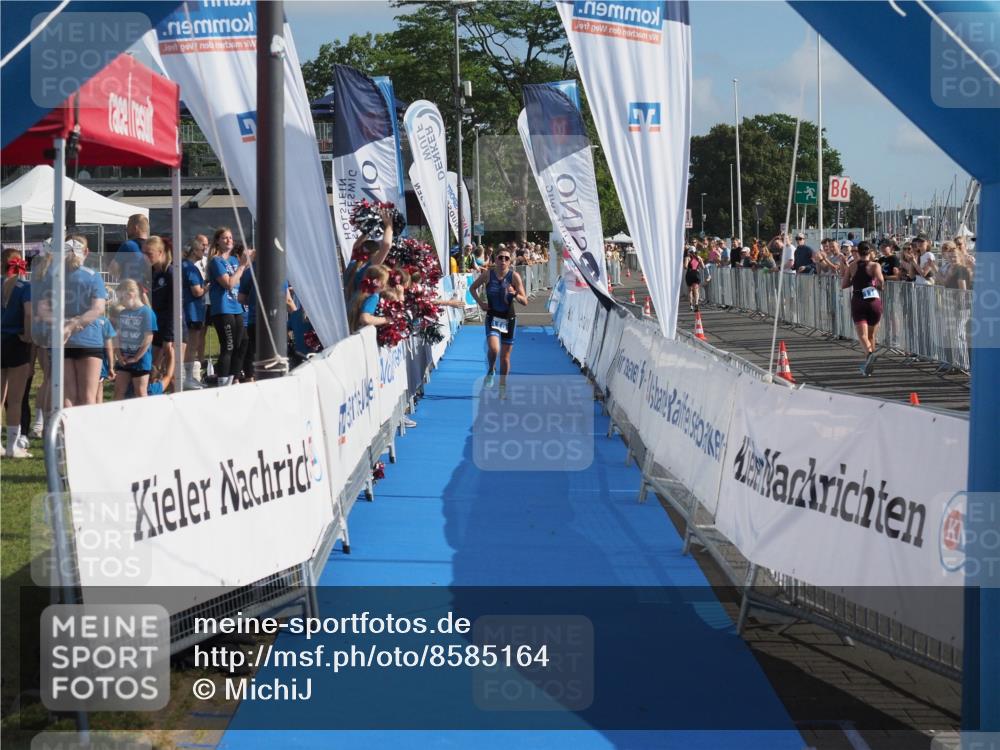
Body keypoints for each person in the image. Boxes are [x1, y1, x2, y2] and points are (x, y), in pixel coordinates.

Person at [469, 248, 527, 394]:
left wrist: (514, 294)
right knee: (494, 349)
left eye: (506, 258)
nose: (503, 261)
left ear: (510, 261)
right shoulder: (488, 274)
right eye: (500, 258)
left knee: (505, 357)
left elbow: (524, 301)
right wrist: (481, 304)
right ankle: (491, 370)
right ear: (495, 260)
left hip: (509, 319)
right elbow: (472, 288)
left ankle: (502, 386)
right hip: (493, 317)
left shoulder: (514, 276)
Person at [207, 227, 252, 386]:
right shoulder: (216, 261)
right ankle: (222, 382)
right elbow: (229, 283)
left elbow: (240, 280)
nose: (229, 240)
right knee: (229, 345)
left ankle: (233, 380)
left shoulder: (233, 260)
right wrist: (241, 267)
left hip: (237, 307)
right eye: (225, 238)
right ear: (218, 241)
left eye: (231, 237)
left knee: (242, 344)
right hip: (223, 308)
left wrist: (245, 263)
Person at [2, 249, 33, 457]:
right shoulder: (25, 286)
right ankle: (13, 445)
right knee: (15, 399)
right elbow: (29, 313)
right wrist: (29, 336)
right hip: (16, 342)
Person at [144, 236, 182, 392]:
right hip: (158, 328)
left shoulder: (171, 273)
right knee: (153, 370)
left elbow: (175, 307)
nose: (145, 257)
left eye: (149, 253)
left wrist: (169, 337)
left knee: (172, 376)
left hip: (173, 329)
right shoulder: (153, 273)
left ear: (160, 252)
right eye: (143, 253)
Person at [842, 241, 885, 376]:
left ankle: (870, 355)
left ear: (858, 252)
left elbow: (844, 285)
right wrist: (877, 285)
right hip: (874, 301)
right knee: (871, 335)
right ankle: (869, 365)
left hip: (859, 300)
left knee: (862, 336)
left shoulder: (852, 266)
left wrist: (854, 280)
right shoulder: (875, 265)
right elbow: (881, 281)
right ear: (870, 252)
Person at [114, 279, 156, 399]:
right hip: (124, 358)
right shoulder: (122, 313)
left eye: (121, 298)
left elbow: (149, 337)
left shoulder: (146, 312)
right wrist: (118, 355)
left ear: (130, 294)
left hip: (141, 361)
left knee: (140, 392)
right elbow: (117, 336)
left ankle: (144, 417)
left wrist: (136, 357)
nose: (120, 302)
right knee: (118, 390)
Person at [182, 236, 208, 389]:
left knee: (189, 344)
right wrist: (207, 287)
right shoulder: (190, 268)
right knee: (192, 345)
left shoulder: (184, 266)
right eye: (201, 249)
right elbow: (197, 291)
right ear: (194, 251)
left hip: (190, 310)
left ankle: (188, 376)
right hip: (192, 311)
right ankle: (188, 377)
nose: (203, 252)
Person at [110, 213, 151, 287]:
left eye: (128, 227)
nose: (126, 230)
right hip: (148, 290)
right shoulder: (153, 247)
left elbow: (113, 268)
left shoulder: (128, 245)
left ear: (135, 228)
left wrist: (122, 279)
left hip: (130, 289)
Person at [349, 265, 390, 331]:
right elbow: (365, 318)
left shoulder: (359, 289)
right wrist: (386, 319)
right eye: (386, 282)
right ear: (381, 284)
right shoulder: (373, 296)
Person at [95, 314, 116, 403]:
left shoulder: (76, 318)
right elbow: (109, 347)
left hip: (78, 362)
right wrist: (111, 367)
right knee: (98, 393)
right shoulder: (104, 321)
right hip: (98, 364)